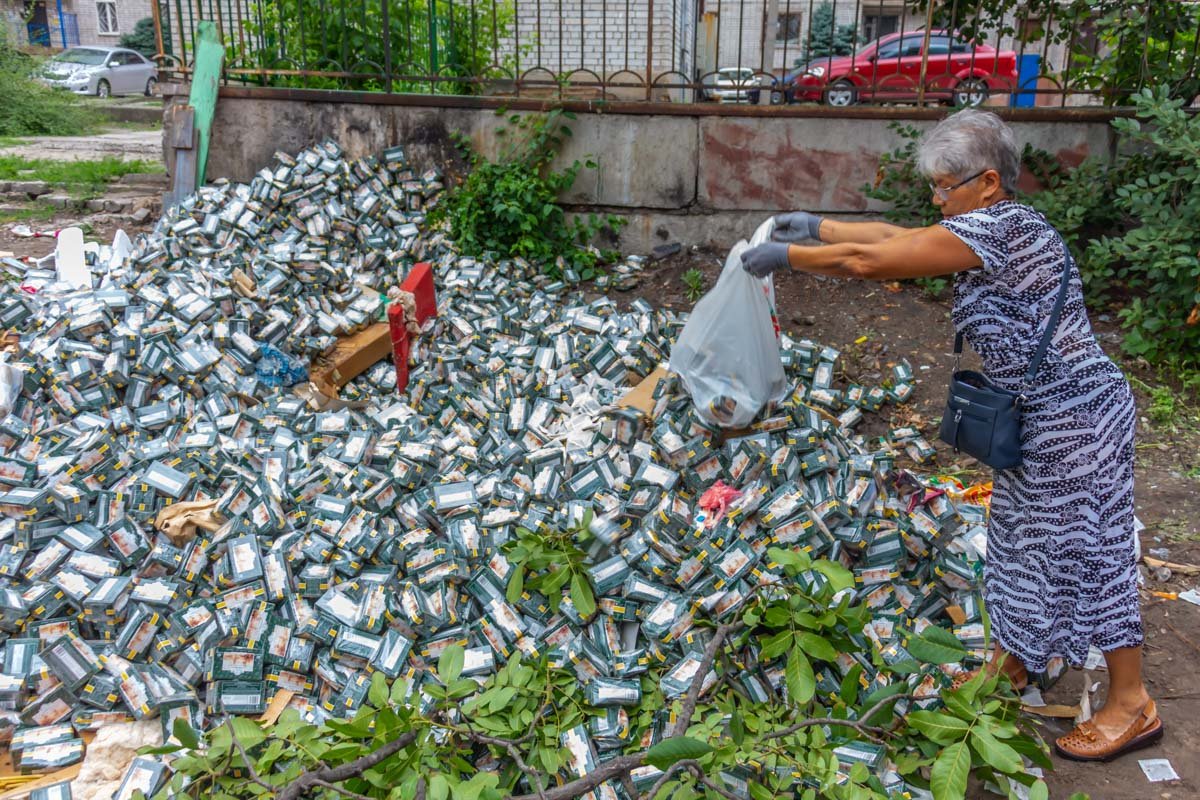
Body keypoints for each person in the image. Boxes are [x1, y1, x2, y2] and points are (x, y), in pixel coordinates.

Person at [740, 109, 1160, 763]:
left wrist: (787, 256)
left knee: (1091, 554)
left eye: (945, 187)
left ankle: (1132, 704)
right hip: (1040, 417)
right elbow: (894, 236)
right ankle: (1012, 668)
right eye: (934, 188)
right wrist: (817, 225)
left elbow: (871, 260)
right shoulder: (981, 225)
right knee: (1019, 543)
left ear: (988, 183)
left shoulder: (1006, 231)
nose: (937, 201)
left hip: (1080, 420)